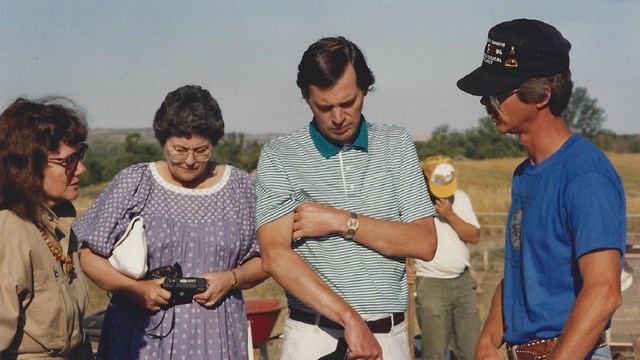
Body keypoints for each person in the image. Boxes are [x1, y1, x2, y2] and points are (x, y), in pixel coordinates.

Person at [255, 36, 438, 360]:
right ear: (305, 96)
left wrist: (341, 221)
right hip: (313, 338)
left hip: (388, 339)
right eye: (324, 107)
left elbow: (424, 241)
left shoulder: (396, 144)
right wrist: (350, 318)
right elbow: (275, 256)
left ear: (365, 89)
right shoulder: (279, 155)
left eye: (349, 103)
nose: (338, 117)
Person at [457, 19, 626, 359]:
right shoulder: (525, 175)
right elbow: (521, 272)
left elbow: (604, 291)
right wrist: (489, 340)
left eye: (497, 92)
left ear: (541, 97)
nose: (485, 103)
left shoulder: (585, 175)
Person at [73, 85, 268, 359]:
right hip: (140, 334)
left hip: (216, 333)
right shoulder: (135, 182)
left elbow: (266, 259)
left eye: (201, 150)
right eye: (179, 149)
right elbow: (88, 254)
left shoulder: (240, 187)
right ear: (162, 141)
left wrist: (231, 279)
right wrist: (136, 289)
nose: (189, 160)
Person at [0, 97, 93, 358]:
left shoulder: (58, 222)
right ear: (29, 166)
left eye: (81, 155)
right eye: (69, 161)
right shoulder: (9, 233)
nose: (81, 169)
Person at [407, 155, 481, 360]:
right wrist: (406, 267)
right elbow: (400, 239)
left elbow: (474, 237)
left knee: (470, 349)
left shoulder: (461, 198)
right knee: (435, 353)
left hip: (462, 282)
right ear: (424, 178)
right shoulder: (412, 203)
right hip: (431, 284)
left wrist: (450, 215)